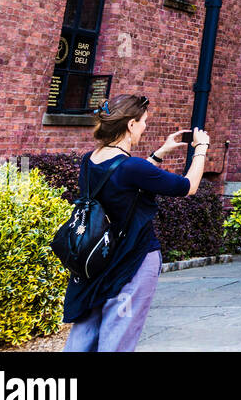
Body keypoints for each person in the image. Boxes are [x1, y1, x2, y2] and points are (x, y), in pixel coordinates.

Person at [63, 94, 210, 352]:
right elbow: (188, 186)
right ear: (130, 124)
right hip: (133, 260)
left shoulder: (90, 160)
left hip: (97, 259)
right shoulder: (133, 168)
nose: (144, 127)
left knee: (84, 334)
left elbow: (121, 182)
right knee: (118, 337)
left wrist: (160, 153)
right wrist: (201, 148)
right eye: (143, 122)